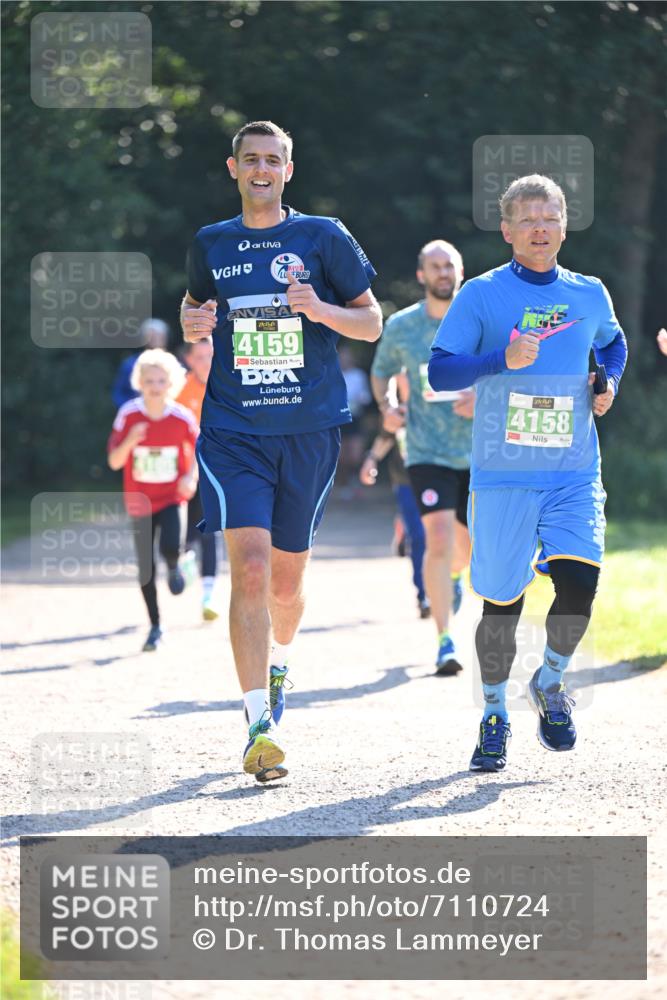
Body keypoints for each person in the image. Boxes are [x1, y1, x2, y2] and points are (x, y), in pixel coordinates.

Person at [180, 120, 381, 783]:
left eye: (273, 159)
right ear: (232, 168)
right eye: (250, 159)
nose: (261, 168)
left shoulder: (322, 236)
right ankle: (256, 726)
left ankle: (280, 662)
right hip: (234, 431)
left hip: (308, 431)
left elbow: (370, 320)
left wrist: (318, 309)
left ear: (287, 171)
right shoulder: (211, 243)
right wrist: (191, 320)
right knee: (253, 570)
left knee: (288, 586)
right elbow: (192, 306)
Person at [429, 174, 628, 771]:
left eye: (551, 218)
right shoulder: (481, 295)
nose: (540, 229)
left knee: (579, 586)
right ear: (507, 229)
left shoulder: (590, 292)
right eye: (528, 219)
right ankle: (493, 714)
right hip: (502, 476)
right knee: (502, 604)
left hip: (572, 472)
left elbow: (612, 345)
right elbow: (441, 373)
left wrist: (606, 381)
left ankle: (549, 681)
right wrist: (501, 359)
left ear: (564, 227)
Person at [371, 241, 474, 675]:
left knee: (465, 551)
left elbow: (508, 368)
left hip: (477, 450)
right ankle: (444, 641)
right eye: (434, 266)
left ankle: (452, 580)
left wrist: (481, 394)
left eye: (449, 264)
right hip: (425, 450)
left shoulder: (479, 318)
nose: (443, 272)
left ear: (460, 271)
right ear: (421, 275)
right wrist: (388, 408)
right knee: (436, 540)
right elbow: (381, 375)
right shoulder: (401, 326)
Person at [107, 349, 199, 652]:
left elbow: (200, 451)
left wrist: (191, 476)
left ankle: (176, 564)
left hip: (173, 495)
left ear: (171, 383)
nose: (155, 386)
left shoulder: (181, 417)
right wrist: (132, 439)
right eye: (149, 380)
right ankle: (156, 626)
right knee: (145, 566)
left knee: (171, 547)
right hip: (140, 500)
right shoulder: (129, 415)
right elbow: (114, 462)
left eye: (161, 380)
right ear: (140, 382)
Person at [176, 338, 221, 621]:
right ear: (189, 359)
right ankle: (185, 560)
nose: (206, 361)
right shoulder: (178, 389)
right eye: (200, 356)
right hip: (184, 473)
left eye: (210, 355)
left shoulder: (226, 384)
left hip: (215, 471)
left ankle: (209, 595)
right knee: (187, 534)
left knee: (210, 530)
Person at [111, 318, 171, 409]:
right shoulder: (130, 364)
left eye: (158, 336)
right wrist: (131, 410)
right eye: (151, 336)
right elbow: (119, 393)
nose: (155, 339)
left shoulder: (174, 364)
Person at [337, 344, 372, 497]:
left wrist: (361, 399)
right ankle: (343, 485)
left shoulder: (358, 375)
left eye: (346, 356)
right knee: (341, 455)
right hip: (339, 418)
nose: (344, 359)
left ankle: (355, 482)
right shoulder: (334, 374)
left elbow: (366, 396)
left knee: (355, 454)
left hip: (355, 417)